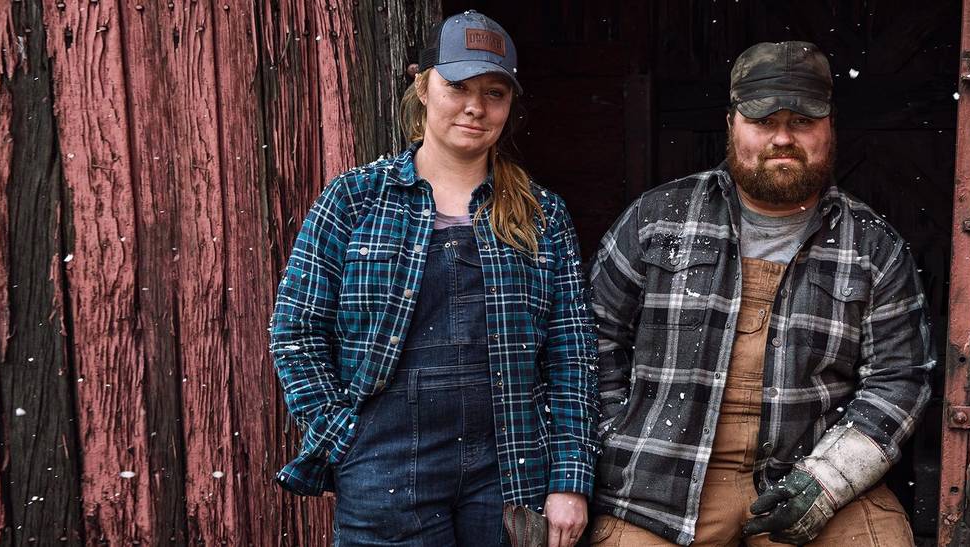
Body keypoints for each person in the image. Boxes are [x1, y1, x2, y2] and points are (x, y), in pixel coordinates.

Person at [270, 11, 598, 546]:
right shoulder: (356, 200)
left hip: (511, 469)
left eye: (494, 92)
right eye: (458, 87)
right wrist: (340, 435)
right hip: (385, 467)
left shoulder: (542, 215)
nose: (475, 106)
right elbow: (297, 330)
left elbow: (571, 354)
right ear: (422, 85)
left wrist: (569, 479)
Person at [587, 41, 934, 546]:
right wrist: (619, 435)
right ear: (731, 124)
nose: (782, 139)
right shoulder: (657, 220)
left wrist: (827, 481)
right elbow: (589, 341)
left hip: (812, 472)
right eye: (764, 122)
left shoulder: (873, 244)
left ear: (830, 126)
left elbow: (900, 380)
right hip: (657, 487)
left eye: (802, 122)